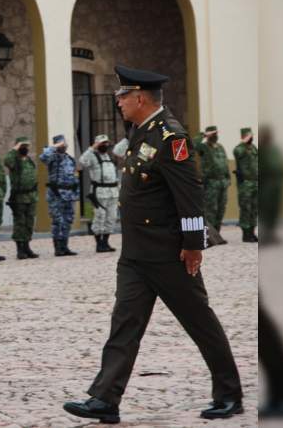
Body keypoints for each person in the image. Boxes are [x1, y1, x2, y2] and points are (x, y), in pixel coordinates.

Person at [63, 65, 243, 423]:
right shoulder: (140, 132)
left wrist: (194, 244)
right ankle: (105, 398)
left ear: (140, 97)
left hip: (168, 253)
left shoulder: (170, 136)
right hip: (136, 254)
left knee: (200, 323)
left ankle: (229, 394)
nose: (118, 102)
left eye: (122, 96)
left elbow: (190, 194)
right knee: (124, 324)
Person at [78, 134, 119, 253]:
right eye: (102, 143)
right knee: (99, 217)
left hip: (113, 192)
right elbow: (82, 161)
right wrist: (92, 148)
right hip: (99, 192)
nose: (105, 145)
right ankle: (99, 243)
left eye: (106, 143)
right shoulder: (92, 157)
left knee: (111, 217)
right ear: (97, 144)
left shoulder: (109, 157)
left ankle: (106, 242)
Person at [39, 134, 79, 256]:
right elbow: (43, 157)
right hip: (56, 194)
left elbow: (75, 177)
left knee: (68, 220)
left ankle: (64, 246)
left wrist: (76, 194)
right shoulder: (52, 158)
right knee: (58, 221)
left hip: (69, 195)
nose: (64, 146)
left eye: (65, 143)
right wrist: (55, 146)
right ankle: (57, 248)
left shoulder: (70, 159)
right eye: (62, 144)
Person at [4, 136, 39, 259]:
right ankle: (20, 249)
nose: (25, 148)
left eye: (26, 146)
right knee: (20, 223)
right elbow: (6, 160)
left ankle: (27, 246)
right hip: (19, 197)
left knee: (29, 223)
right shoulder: (14, 160)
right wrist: (15, 149)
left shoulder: (29, 160)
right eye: (22, 146)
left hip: (31, 196)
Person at [194, 126, 230, 245]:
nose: (216, 135)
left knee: (221, 209)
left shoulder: (220, 147)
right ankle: (210, 237)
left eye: (216, 133)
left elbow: (225, 164)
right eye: (213, 133)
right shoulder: (204, 147)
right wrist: (203, 135)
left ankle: (217, 236)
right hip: (211, 183)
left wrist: (228, 179)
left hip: (222, 182)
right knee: (211, 210)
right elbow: (194, 144)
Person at [233, 127, 260, 242]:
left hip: (255, 182)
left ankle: (252, 232)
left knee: (255, 208)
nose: (251, 138)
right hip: (245, 183)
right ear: (243, 136)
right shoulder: (239, 148)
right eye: (249, 136)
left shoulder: (253, 147)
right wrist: (243, 143)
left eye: (252, 135)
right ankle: (246, 234)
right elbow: (237, 153)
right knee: (246, 208)